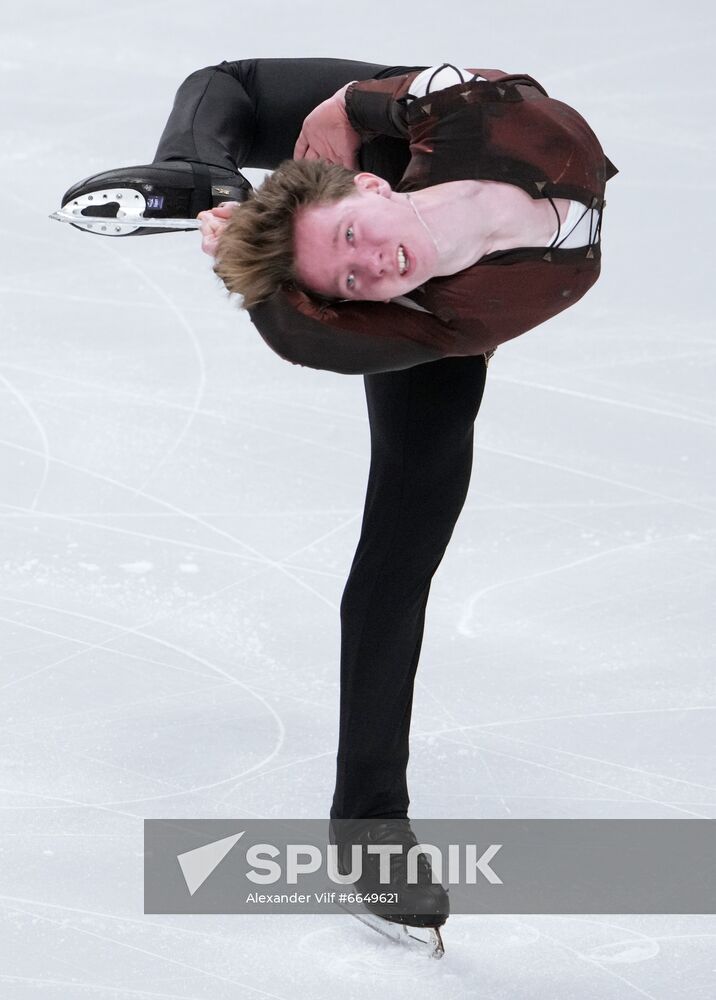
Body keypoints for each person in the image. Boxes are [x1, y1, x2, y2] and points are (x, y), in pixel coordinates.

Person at [58, 58, 616, 933]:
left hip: (393, 137)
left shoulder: (467, 121)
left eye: (356, 235)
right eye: (351, 280)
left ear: (370, 191)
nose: (377, 262)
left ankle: (202, 181)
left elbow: (370, 105)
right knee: (399, 559)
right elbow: (313, 341)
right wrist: (271, 276)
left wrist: (344, 121)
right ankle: (371, 823)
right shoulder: (426, 314)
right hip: (422, 300)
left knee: (233, 86)